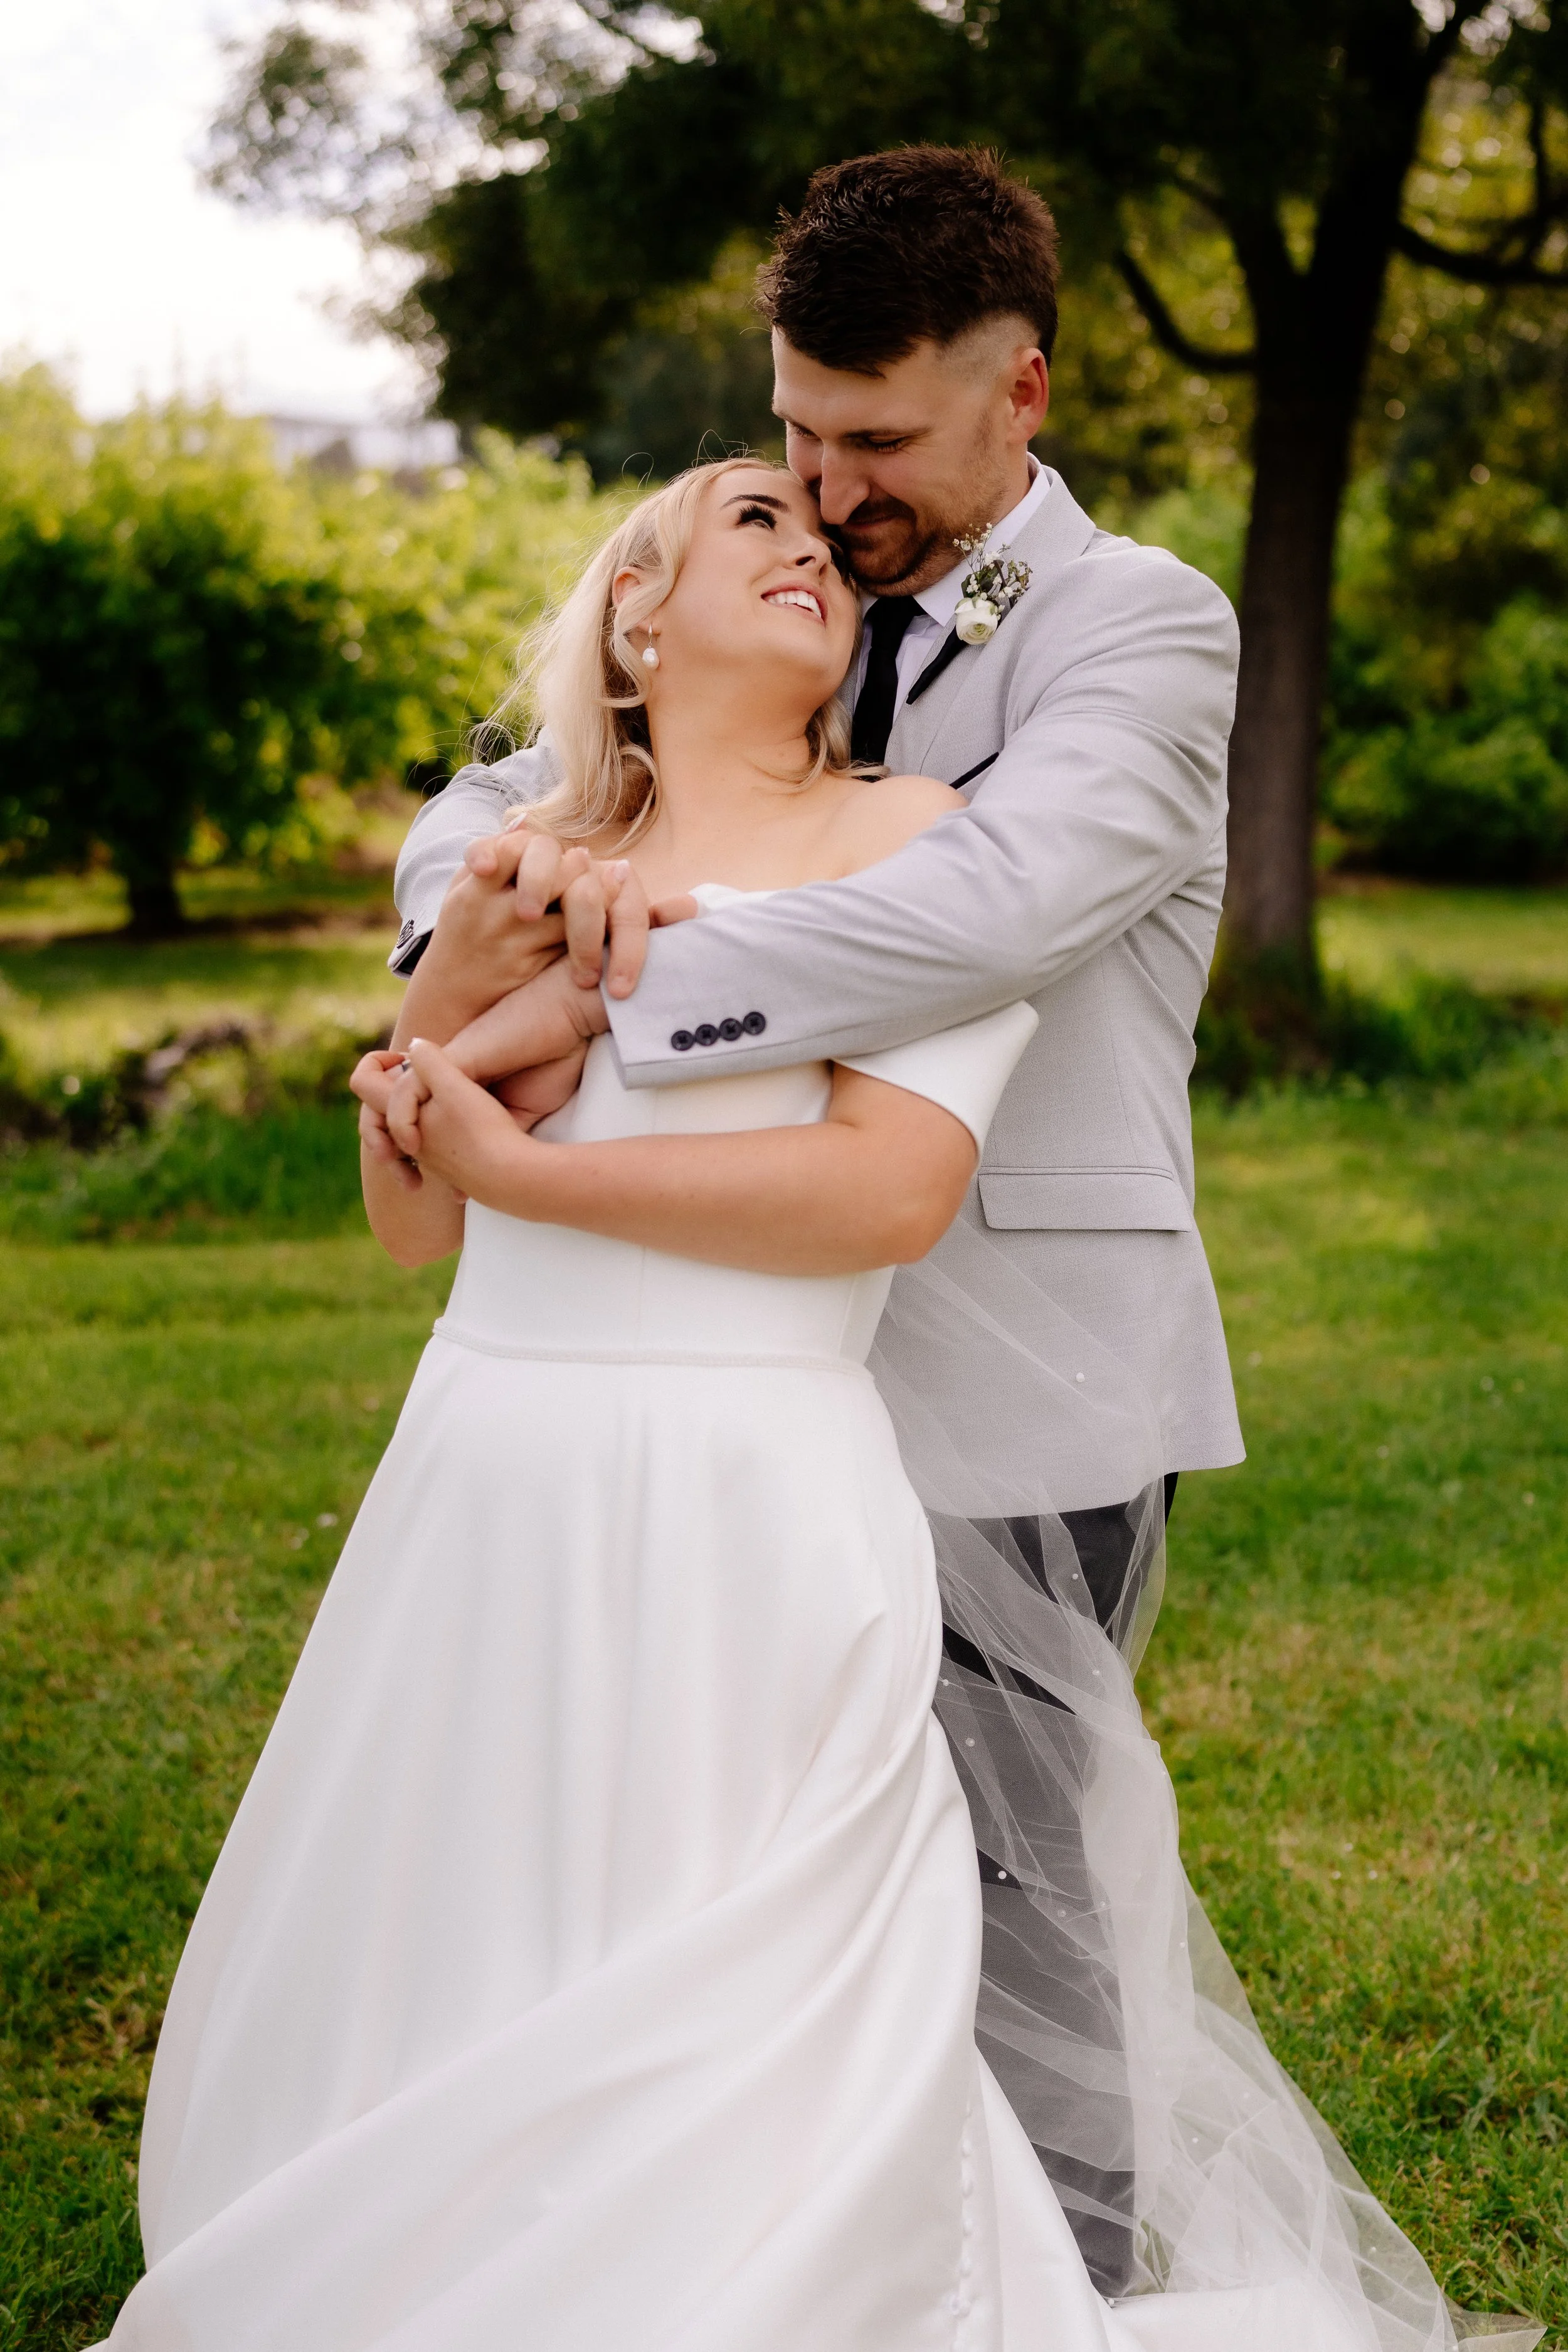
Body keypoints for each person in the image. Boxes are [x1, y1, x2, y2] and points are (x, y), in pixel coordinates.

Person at [391, 142, 1242, 2294]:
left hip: (1009, 1360)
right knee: (748, 1902)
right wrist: (477, 923)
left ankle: (1070, 2302)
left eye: (874, 438)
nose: (826, 480)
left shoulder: (1138, 622)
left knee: (1010, 1909)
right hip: (723, 1398)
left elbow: (989, 908)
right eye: (792, 429)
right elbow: (475, 819)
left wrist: (582, 986)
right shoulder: (770, 586)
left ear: (1018, 394)